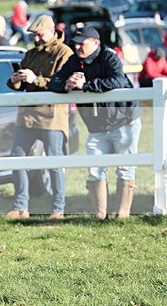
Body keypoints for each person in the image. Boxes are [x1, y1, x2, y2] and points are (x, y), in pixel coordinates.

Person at [49, 26, 142, 219]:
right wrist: (65, 85)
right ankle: (100, 215)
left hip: (123, 120)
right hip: (97, 126)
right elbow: (54, 81)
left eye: (82, 43)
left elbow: (117, 81)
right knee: (94, 168)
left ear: (96, 43)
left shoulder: (109, 57)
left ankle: (122, 216)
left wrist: (86, 86)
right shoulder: (74, 61)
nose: (77, 47)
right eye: (75, 43)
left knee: (125, 166)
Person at [5, 15, 73, 220]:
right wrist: (15, 80)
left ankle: (58, 210)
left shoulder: (65, 53)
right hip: (27, 115)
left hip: (52, 116)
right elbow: (18, 86)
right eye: (34, 35)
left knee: (54, 163)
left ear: (52, 31)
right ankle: (20, 208)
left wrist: (36, 79)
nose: (37, 39)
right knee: (17, 158)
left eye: (40, 34)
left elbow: (61, 83)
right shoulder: (30, 54)